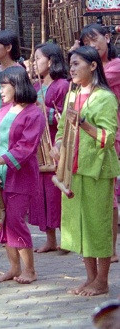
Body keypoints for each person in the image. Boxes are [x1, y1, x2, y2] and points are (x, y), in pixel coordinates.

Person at [53, 46, 120, 296]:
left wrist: (82, 123)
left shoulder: (105, 97)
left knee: (97, 225)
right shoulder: (72, 94)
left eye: (77, 64)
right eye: (70, 64)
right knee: (79, 225)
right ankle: (90, 278)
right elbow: (61, 129)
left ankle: (102, 281)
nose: (71, 68)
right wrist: (58, 145)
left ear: (93, 66)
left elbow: (108, 136)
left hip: (96, 170)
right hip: (72, 169)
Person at [0, 67, 45, 285]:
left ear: (17, 85)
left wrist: (1, 161)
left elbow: (27, 146)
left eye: (4, 85)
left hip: (20, 175)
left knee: (15, 220)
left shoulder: (34, 113)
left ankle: (30, 269)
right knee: (2, 218)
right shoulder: (4, 110)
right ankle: (13, 267)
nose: (0, 90)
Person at [77, 23, 120, 262]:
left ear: (107, 38)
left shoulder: (113, 67)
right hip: (89, 139)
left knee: (107, 194)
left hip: (108, 135)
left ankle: (109, 247)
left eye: (94, 40)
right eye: (86, 44)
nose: (91, 46)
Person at [29, 43, 69, 253]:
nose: (35, 63)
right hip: (38, 146)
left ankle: (66, 237)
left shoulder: (62, 85)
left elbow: (65, 117)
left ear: (51, 61)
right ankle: (50, 238)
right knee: (41, 194)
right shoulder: (35, 87)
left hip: (55, 143)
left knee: (56, 193)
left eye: (38, 59)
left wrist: (45, 111)